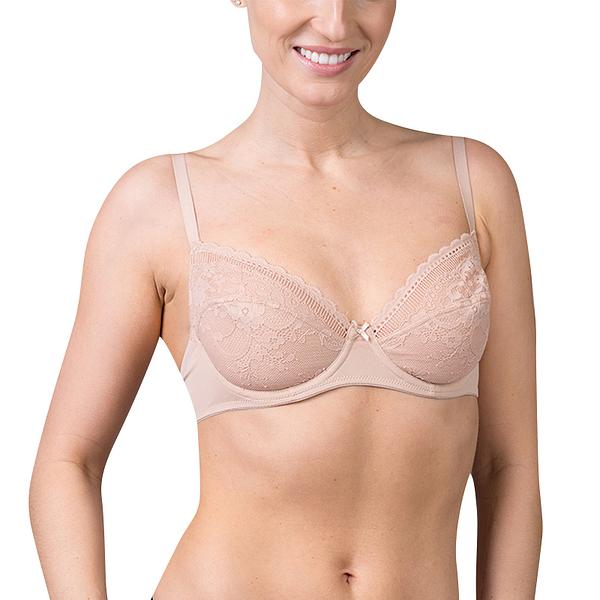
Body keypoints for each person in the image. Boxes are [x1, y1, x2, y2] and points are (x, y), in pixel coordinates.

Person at [29, 1, 542, 598]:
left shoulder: (473, 183)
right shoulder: (160, 205)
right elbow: (68, 463)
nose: (334, 22)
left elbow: (508, 467)